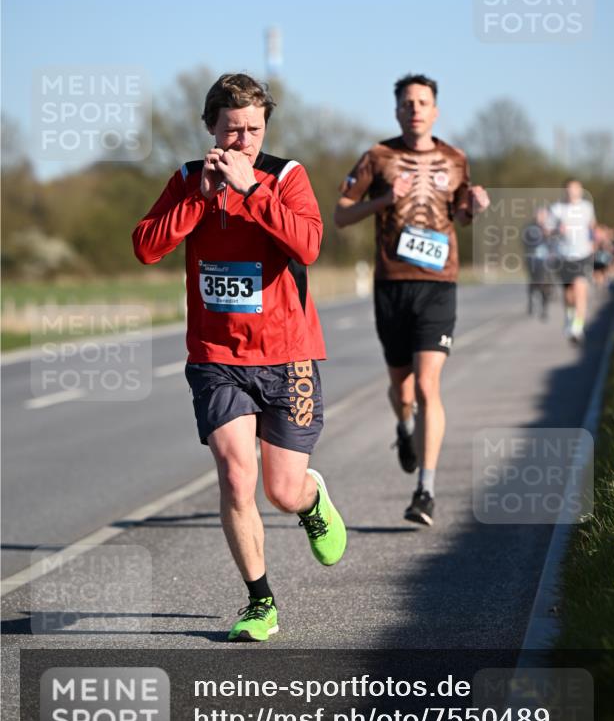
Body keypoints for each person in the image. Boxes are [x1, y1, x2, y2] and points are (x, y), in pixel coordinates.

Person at [133, 73, 346, 642]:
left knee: (280, 489)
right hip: (216, 355)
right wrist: (198, 202)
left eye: (254, 129)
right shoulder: (186, 180)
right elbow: (146, 246)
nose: (243, 141)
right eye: (232, 130)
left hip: (287, 354)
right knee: (234, 475)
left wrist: (254, 191)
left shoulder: (287, 176)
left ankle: (310, 499)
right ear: (210, 128)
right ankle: (260, 602)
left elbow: (308, 245)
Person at [334, 74, 489, 526]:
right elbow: (342, 214)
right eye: (407, 102)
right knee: (402, 390)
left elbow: (460, 214)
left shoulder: (455, 159)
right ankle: (404, 429)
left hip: (439, 284)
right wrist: (384, 198)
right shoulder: (377, 157)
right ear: (397, 110)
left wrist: (475, 207)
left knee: (427, 386)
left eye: (422, 102)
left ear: (435, 110)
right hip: (392, 284)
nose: (415, 109)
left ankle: (425, 489)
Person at [550, 179, 596, 343]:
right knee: (569, 295)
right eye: (569, 189)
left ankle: (577, 328)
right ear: (565, 191)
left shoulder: (587, 207)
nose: (573, 192)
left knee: (580, 289)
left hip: (582, 254)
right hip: (563, 256)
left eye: (576, 189)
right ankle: (569, 317)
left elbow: (592, 226)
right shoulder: (557, 209)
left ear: (581, 190)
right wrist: (556, 229)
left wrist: (593, 243)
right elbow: (547, 231)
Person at [522, 206, 555, 319]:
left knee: (546, 284)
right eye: (540, 214)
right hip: (533, 260)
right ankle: (531, 301)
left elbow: (554, 243)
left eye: (544, 215)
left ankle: (544, 309)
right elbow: (526, 242)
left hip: (546, 262)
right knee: (534, 282)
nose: (542, 217)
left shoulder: (550, 228)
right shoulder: (530, 228)